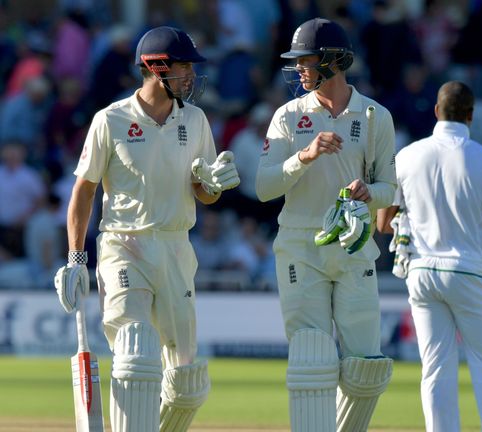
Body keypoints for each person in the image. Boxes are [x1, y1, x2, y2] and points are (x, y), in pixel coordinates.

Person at [53, 26, 240, 432]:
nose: (191, 76)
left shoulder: (196, 119)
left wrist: (213, 186)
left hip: (175, 247)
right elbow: (83, 192)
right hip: (124, 243)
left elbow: (204, 193)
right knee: (135, 350)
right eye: (184, 67)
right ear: (157, 67)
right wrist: (74, 259)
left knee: (186, 383)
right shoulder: (112, 119)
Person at [256, 18, 396, 432]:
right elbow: (264, 187)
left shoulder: (374, 115)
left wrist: (370, 193)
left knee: (366, 370)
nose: (299, 68)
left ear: (333, 61)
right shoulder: (288, 115)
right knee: (311, 357)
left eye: (306, 60)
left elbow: (390, 187)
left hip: (354, 246)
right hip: (301, 244)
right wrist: (305, 156)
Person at [377, 80, 482, 432]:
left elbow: (382, 222)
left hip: (421, 272)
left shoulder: (407, 155)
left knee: (436, 366)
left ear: (437, 111)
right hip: (469, 270)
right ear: (471, 115)